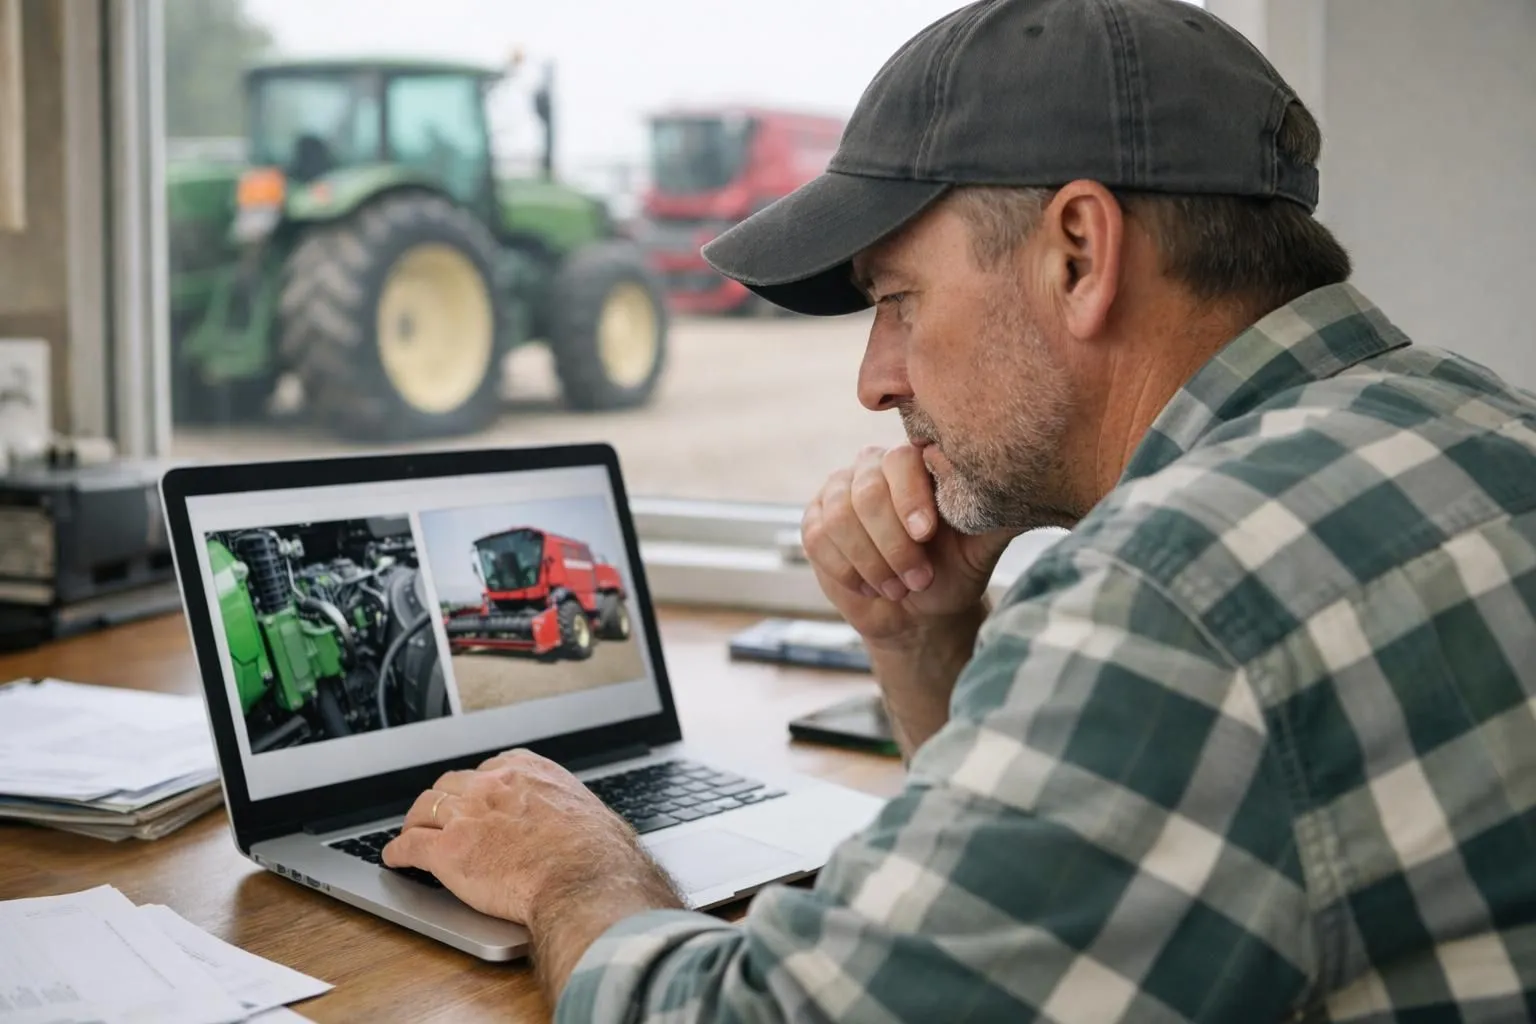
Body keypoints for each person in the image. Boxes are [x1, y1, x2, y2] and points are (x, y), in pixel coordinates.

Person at [383, 0, 1536, 1019]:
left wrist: (571, 868)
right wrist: (927, 637)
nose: (875, 380)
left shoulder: (1175, 595)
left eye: (896, 299)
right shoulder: (1476, 421)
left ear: (1079, 254)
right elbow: (1036, 940)